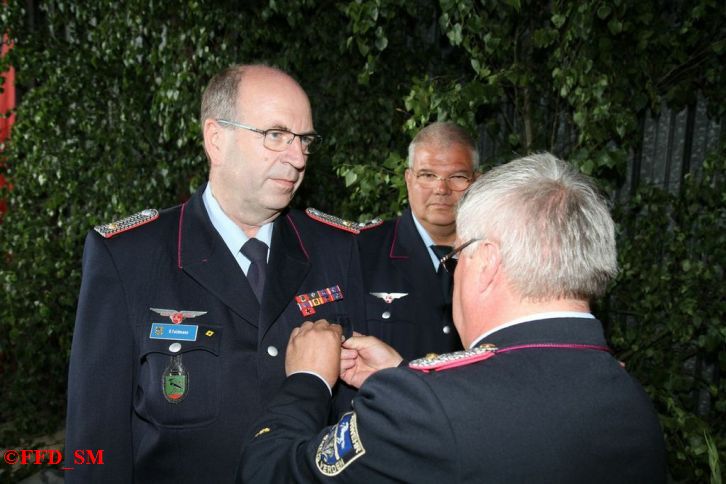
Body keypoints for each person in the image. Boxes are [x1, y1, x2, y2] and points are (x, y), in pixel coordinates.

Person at [239, 153, 667, 483]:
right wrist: (403, 374)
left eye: (457, 257)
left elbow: (268, 472)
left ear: (486, 263)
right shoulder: (629, 398)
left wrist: (307, 381)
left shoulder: (422, 408)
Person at [64, 64, 366, 483]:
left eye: (305, 141)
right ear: (216, 139)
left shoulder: (337, 248)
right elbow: (93, 443)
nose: (297, 158)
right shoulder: (128, 258)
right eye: (275, 135)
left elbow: (361, 421)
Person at [358, 121, 478, 360]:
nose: (441, 189)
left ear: (476, 181)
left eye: (457, 177)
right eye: (428, 175)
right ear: (409, 178)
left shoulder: (500, 256)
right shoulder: (362, 252)